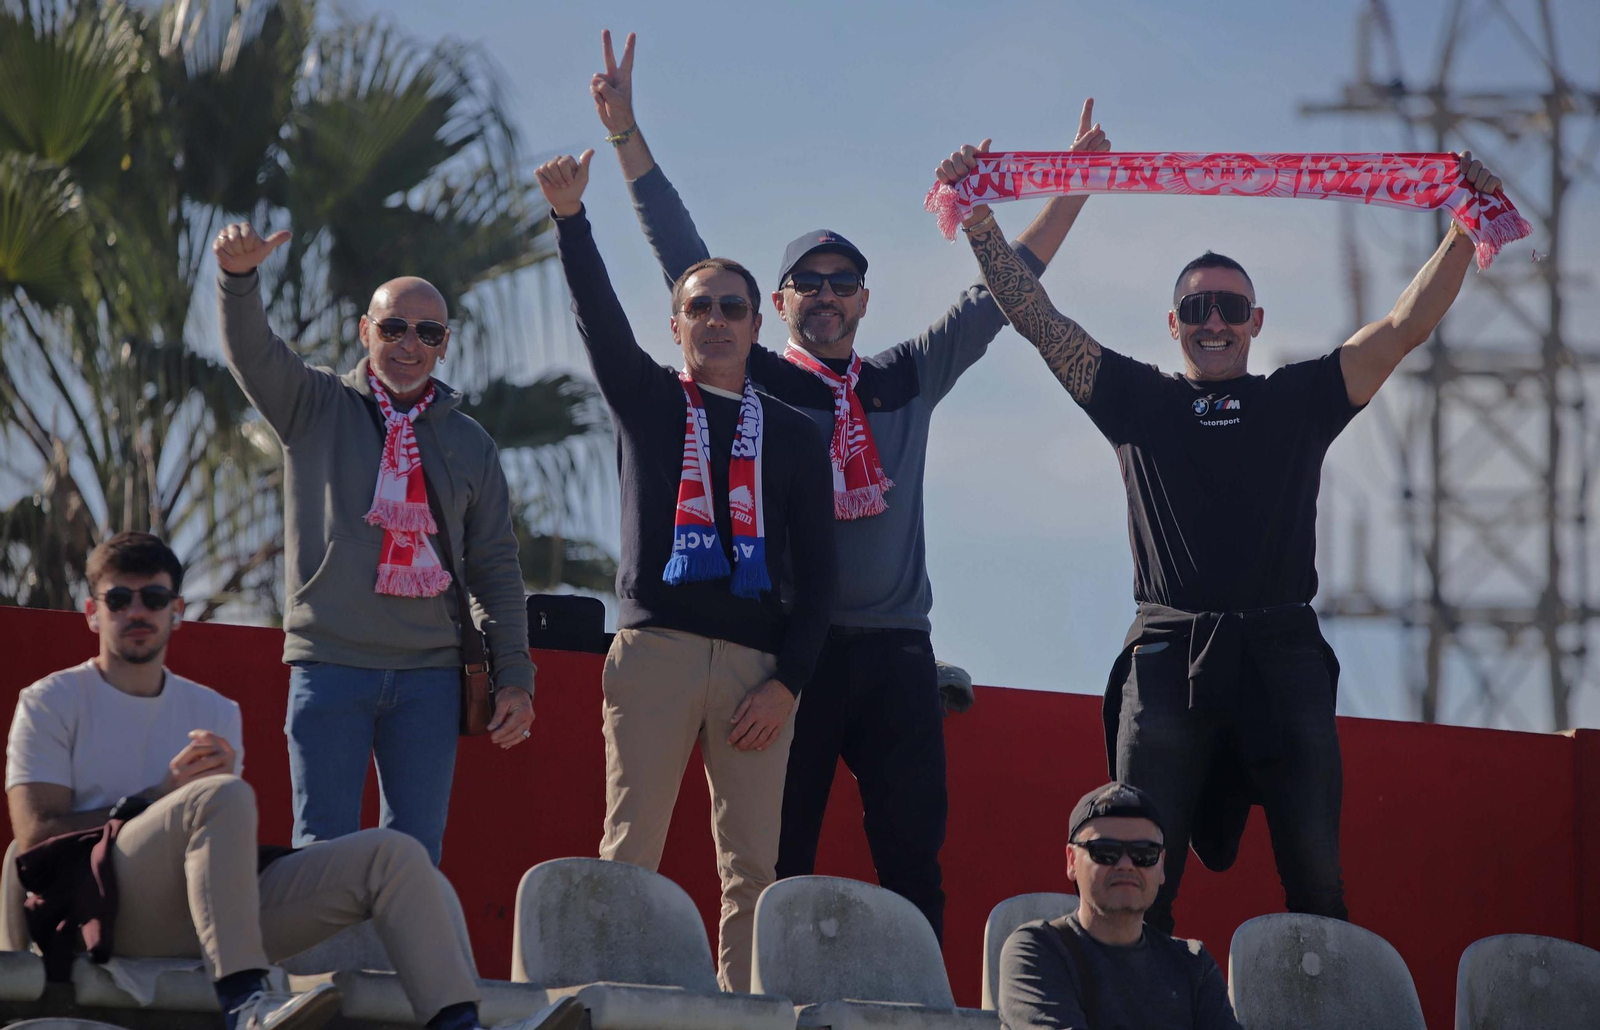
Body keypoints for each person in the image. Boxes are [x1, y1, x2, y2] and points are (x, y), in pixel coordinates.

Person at [588, 29, 1108, 940]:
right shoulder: (758, 373)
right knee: (776, 860)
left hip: (901, 650)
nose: (826, 294)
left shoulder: (909, 372)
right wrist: (627, 135)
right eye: (805, 283)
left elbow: (1006, 295)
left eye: (845, 281)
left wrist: (1072, 189)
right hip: (797, 654)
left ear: (864, 298)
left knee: (913, 857)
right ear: (776, 304)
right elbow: (685, 257)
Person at [951, 143, 1503, 933]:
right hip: (1168, 657)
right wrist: (978, 222)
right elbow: (1040, 324)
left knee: (1317, 879)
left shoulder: (1298, 399)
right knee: (1143, 877)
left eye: (1231, 308)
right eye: (1198, 309)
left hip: (1284, 658)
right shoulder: (1137, 400)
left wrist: (1461, 228)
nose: (1215, 323)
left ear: (1256, 322)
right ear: (1173, 324)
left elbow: (1404, 326)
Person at [3, 532, 577, 1030]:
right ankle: (246, 1002)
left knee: (395, 854)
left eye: (153, 598)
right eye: (119, 599)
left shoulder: (213, 709)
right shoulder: (52, 701)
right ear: (91, 611)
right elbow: (34, 839)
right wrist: (157, 798)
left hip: (200, 920)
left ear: (176, 609)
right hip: (97, 911)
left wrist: (197, 804)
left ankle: (458, 1021)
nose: (137, 612)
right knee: (219, 793)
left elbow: (215, 852)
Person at [535, 149, 837, 993]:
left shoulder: (796, 434)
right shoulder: (649, 399)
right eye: (698, 307)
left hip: (755, 673)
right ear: (677, 327)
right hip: (657, 654)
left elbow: (819, 579)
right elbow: (597, 315)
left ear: (755, 323)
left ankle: (740, 1010)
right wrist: (571, 219)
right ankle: (612, 998)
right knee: (630, 850)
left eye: (732, 307)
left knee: (753, 869)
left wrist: (791, 683)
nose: (715, 319)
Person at [215, 222, 535, 866]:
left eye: (428, 332)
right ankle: (320, 974)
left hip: (430, 677)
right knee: (320, 855)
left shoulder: (471, 442)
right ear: (366, 332)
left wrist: (515, 677)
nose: (409, 343)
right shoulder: (316, 404)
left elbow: (495, 568)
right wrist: (238, 281)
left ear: (444, 346)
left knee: (413, 862)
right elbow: (252, 354)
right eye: (394, 328)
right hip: (330, 662)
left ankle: (392, 974)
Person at [997, 782, 1241, 1030]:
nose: (1126, 864)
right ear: (1071, 861)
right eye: (1105, 851)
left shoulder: (1193, 965)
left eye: (1144, 853)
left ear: (1162, 866)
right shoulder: (1037, 950)